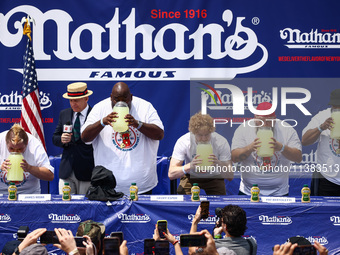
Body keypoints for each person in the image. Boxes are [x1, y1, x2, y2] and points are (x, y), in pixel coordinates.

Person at [81, 82, 164, 195]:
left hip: (141, 186)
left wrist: (137, 124)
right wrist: (102, 122)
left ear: (131, 97)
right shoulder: (100, 108)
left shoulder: (145, 107)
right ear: (111, 97)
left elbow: (159, 134)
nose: (120, 103)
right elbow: (85, 137)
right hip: (107, 186)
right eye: (116, 99)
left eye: (125, 99)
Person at [231, 102, 302, 196]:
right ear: (255, 117)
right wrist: (250, 148)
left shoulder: (287, 129)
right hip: (248, 191)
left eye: (269, 121)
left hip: (279, 192)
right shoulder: (244, 129)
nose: (264, 124)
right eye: (260, 120)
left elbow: (298, 158)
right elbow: (234, 158)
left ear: (275, 119)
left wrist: (281, 147)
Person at [168, 112, 233, 195]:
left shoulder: (220, 142)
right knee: (184, 205)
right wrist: (189, 166)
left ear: (211, 132)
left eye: (207, 135)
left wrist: (219, 163)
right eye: (199, 135)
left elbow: (230, 176)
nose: (203, 138)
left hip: (214, 178)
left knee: (219, 206)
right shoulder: (184, 141)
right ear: (193, 133)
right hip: (190, 177)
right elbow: (171, 173)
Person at [52, 82, 95, 194]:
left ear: (86, 98)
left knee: (85, 207)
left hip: (87, 171)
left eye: (76, 100)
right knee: (65, 208)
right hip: (67, 171)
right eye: (70, 100)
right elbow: (54, 138)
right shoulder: (64, 113)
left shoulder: (95, 114)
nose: (73, 104)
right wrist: (61, 139)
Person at [302, 89, 340, 196]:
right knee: (323, 212)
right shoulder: (322, 116)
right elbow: (305, 141)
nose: (337, 110)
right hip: (327, 179)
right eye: (335, 107)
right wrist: (321, 127)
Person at [0, 124, 54, 194]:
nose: (15, 152)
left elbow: (50, 176)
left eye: (20, 149)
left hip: (29, 194)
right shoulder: (0, 140)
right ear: (6, 143)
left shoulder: (34, 144)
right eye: (11, 148)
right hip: (2, 193)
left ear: (27, 143)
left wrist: (29, 168)